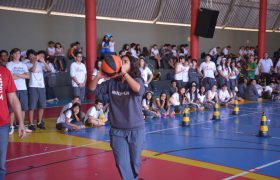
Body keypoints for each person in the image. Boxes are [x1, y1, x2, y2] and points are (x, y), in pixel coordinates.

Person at [89, 54, 145, 180]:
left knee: (135, 162)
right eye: (121, 61)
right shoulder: (111, 83)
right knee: (121, 163)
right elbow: (92, 89)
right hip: (117, 130)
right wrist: (98, 76)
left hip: (136, 129)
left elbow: (139, 90)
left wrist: (125, 74)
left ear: (131, 66)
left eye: (125, 61)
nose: (121, 63)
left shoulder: (137, 80)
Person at [0, 66, 26, 179]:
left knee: (0, 165)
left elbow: (13, 99)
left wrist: (21, 123)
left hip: (2, 124)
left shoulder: (4, 72)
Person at [6, 48, 30, 135]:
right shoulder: (9, 64)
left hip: (23, 88)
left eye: (19, 53)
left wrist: (18, 75)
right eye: (15, 53)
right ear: (12, 55)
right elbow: (10, 77)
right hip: (13, 89)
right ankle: (11, 126)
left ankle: (21, 125)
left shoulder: (23, 64)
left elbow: (28, 76)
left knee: (23, 108)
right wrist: (22, 75)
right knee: (12, 109)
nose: (17, 55)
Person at [26, 50, 51, 131]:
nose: (32, 57)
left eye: (34, 55)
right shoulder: (27, 64)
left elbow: (49, 69)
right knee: (32, 106)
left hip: (41, 87)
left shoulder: (40, 64)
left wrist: (43, 61)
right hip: (33, 86)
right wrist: (35, 61)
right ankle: (31, 123)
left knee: (41, 106)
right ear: (28, 57)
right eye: (30, 56)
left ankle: (39, 122)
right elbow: (33, 70)